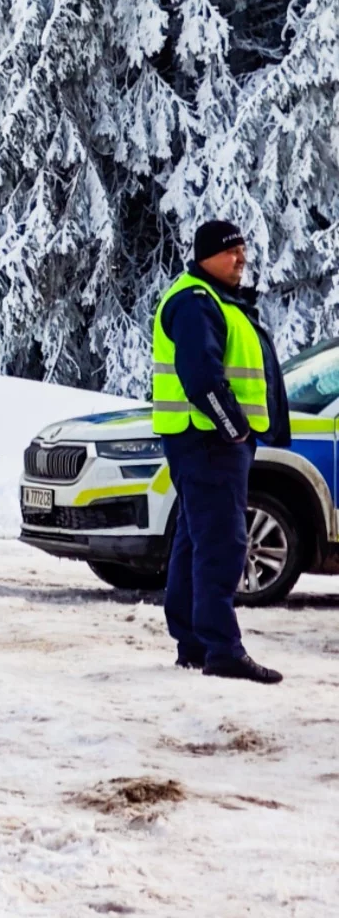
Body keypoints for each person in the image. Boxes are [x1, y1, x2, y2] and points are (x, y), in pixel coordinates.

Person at [151, 220, 290, 684]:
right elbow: (201, 376)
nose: (241, 259)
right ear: (206, 255)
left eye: (243, 251)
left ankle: (194, 642)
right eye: (231, 252)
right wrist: (233, 429)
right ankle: (222, 649)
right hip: (209, 439)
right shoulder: (196, 302)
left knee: (196, 540)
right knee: (222, 544)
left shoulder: (214, 300)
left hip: (207, 440)